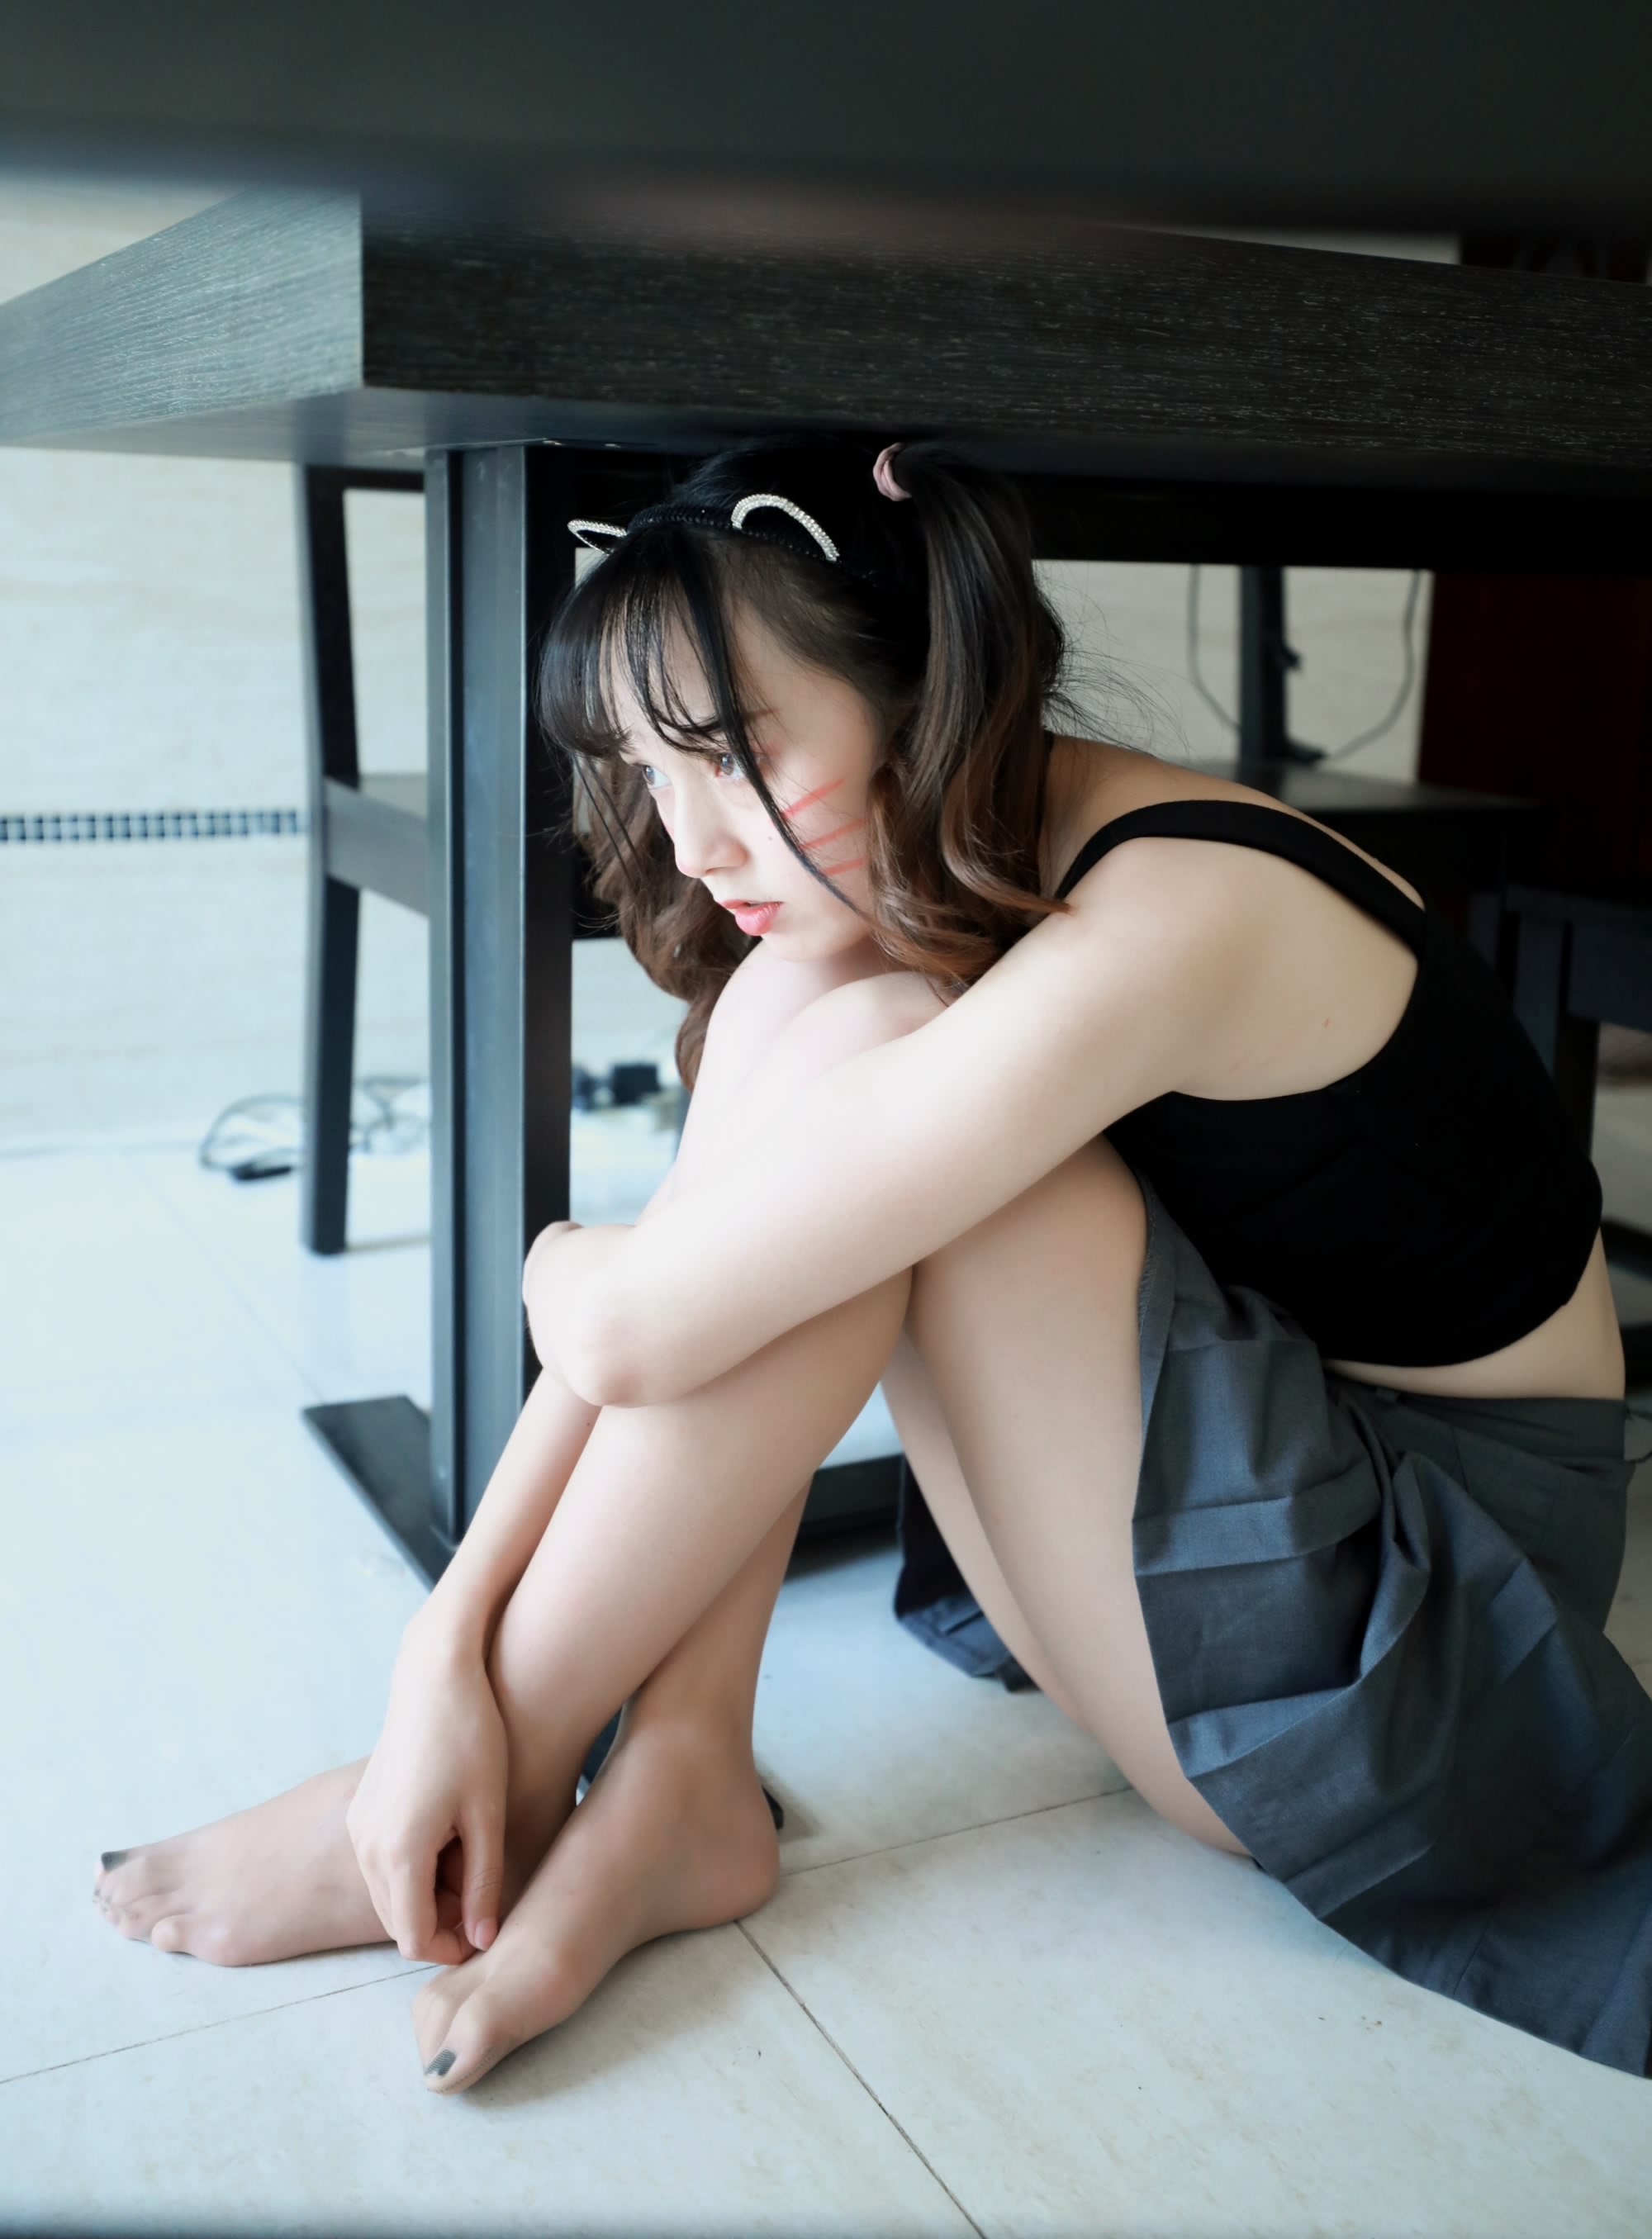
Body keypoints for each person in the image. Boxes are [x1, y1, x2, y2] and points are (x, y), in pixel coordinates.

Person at [93, 431, 1650, 2096]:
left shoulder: (1178, 912)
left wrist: (561, 1258)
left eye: (732, 751)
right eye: (649, 767)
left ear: (918, 690)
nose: (692, 841)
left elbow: (636, 1324)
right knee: (809, 1016)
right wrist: (442, 1646)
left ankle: (522, 1771)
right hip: (1273, 1489)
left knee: (869, 1089)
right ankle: (676, 1762)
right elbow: (659, 1310)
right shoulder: (974, 849)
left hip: (1424, 1650)